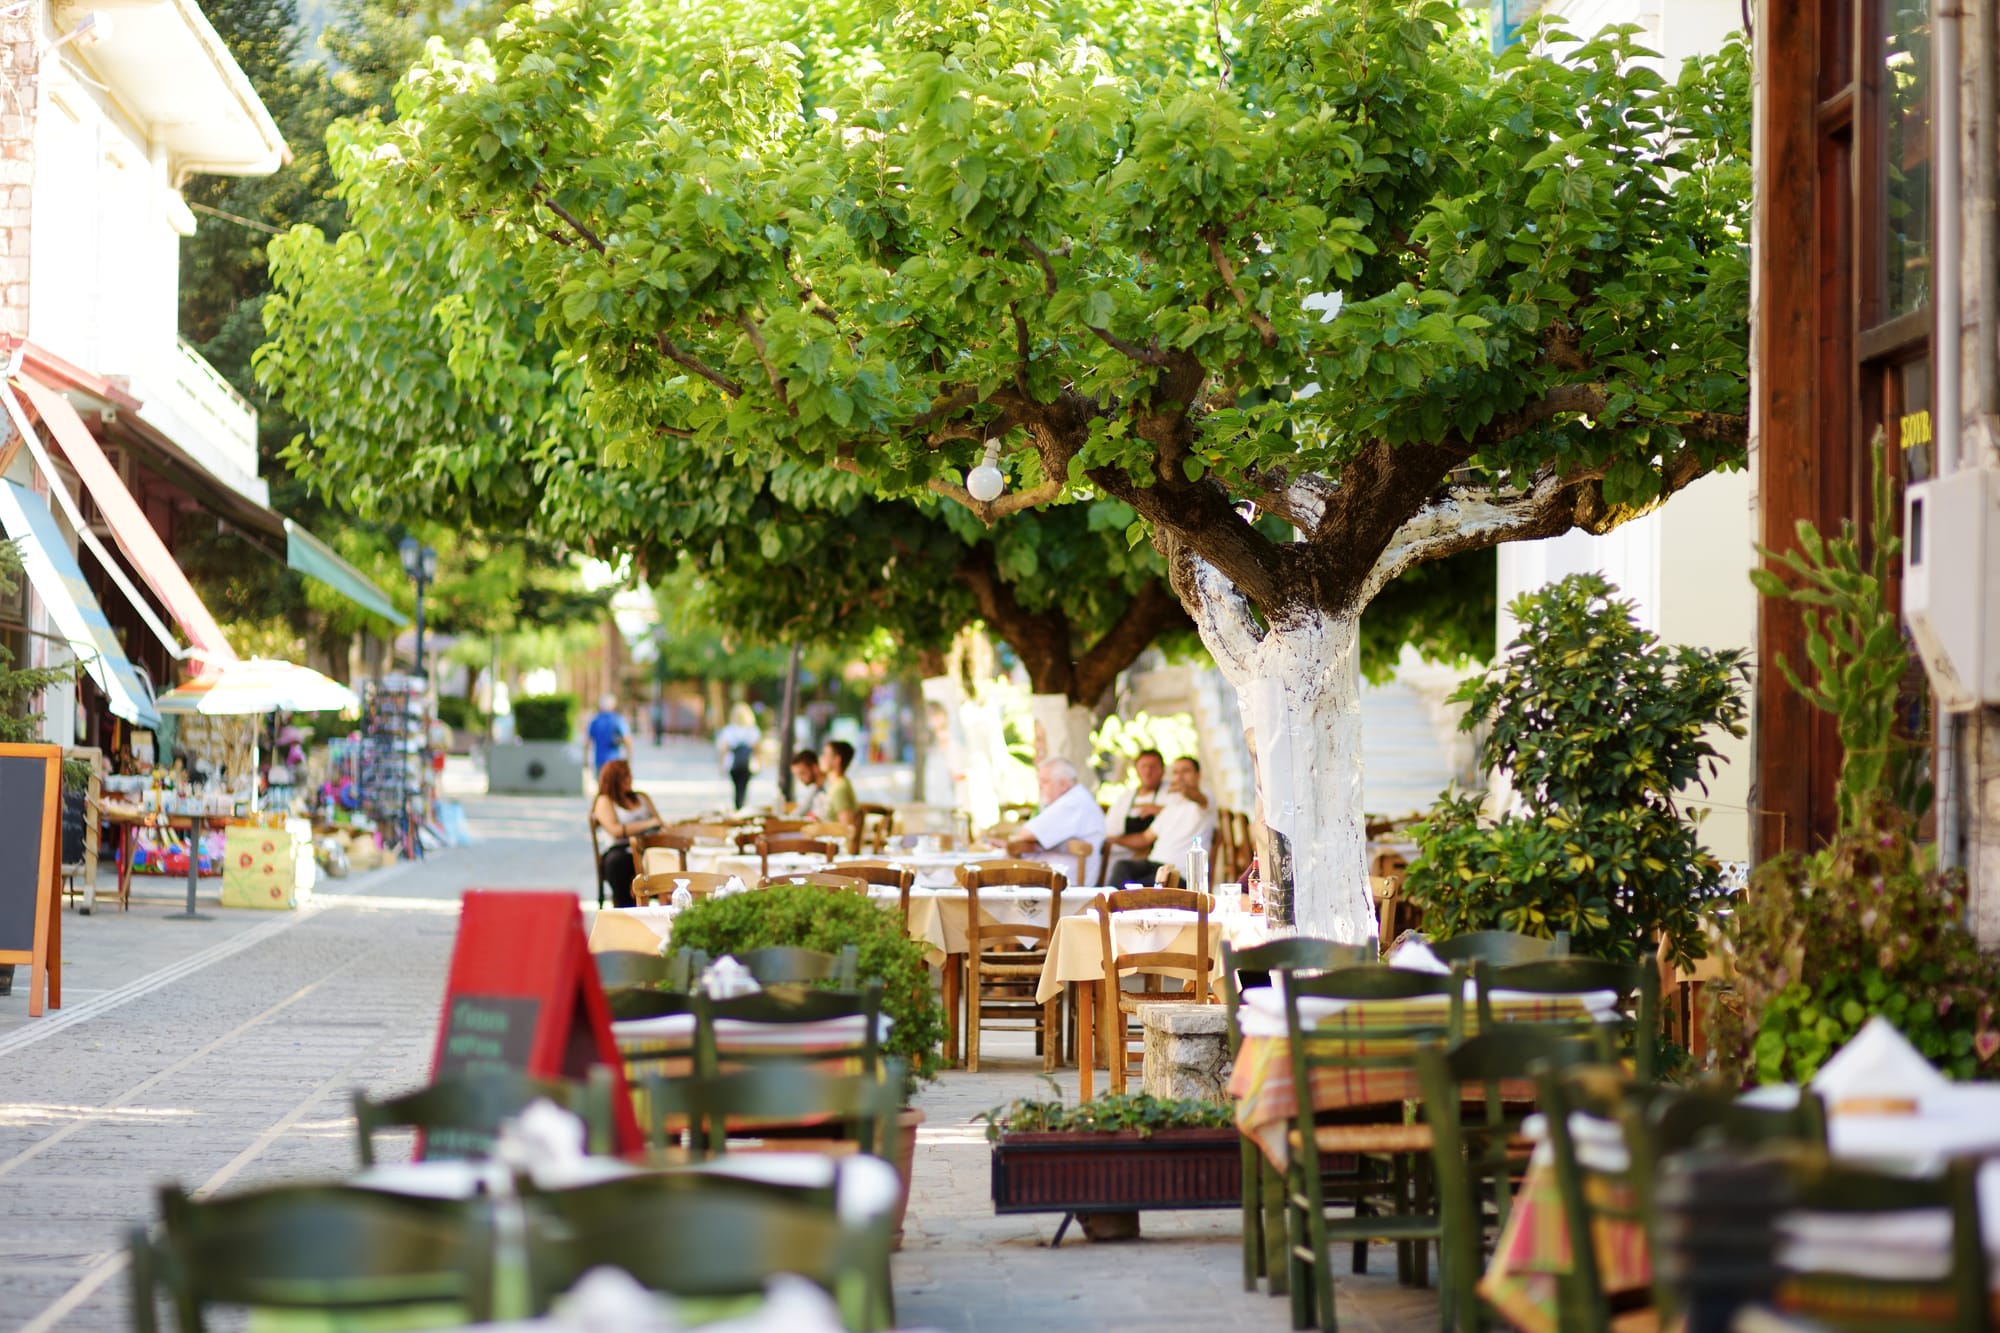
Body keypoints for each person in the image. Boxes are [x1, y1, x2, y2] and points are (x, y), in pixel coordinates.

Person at [1105, 756, 1216, 887]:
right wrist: (1113, 839)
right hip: (1155, 865)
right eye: (1176, 772)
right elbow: (1144, 838)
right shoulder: (1172, 805)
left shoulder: (1206, 800)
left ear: (1198, 775)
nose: (1180, 777)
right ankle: (1113, 899)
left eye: (1185, 771)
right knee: (1121, 867)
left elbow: (1198, 797)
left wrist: (1185, 789)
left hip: (1179, 874)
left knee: (1138, 887)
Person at [1005, 756, 1109, 883]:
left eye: (1045, 781)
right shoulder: (1078, 798)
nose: (1040, 787)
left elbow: (1027, 833)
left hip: (1065, 883)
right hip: (1058, 879)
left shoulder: (1072, 802)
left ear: (1063, 784)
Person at [591, 758, 662, 908]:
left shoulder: (641, 797)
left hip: (649, 847)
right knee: (618, 863)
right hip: (621, 849)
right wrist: (647, 824)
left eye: (629, 775)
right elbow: (615, 830)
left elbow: (659, 822)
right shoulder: (605, 801)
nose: (630, 779)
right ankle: (626, 907)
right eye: (625, 776)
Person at [1102, 749, 1167, 844]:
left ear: (1163, 770)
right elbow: (1109, 831)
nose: (1148, 771)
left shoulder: (1171, 793)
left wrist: (1160, 810)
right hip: (1121, 849)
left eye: (1153, 767)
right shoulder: (1125, 798)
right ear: (1136, 770)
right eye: (1143, 766)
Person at [715, 703, 761, 810]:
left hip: (733, 764)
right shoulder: (753, 731)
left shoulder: (729, 730)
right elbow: (757, 750)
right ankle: (741, 805)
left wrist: (721, 765)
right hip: (747, 764)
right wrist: (759, 763)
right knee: (743, 787)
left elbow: (724, 750)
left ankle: (738, 805)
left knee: (736, 787)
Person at [817, 739, 859, 830]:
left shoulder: (839, 789)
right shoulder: (837, 784)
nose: (821, 758)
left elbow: (847, 828)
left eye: (825, 755)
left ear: (837, 760)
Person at [587, 694, 630, 776]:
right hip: (614, 761)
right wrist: (629, 757)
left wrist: (586, 760)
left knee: (601, 782)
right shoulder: (617, 719)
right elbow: (627, 739)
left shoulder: (595, 721)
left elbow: (588, 742)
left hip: (599, 760)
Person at [788, 749, 824, 814]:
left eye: (802, 773)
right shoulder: (814, 789)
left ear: (814, 767)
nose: (800, 779)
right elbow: (802, 810)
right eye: (797, 775)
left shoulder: (829, 788)